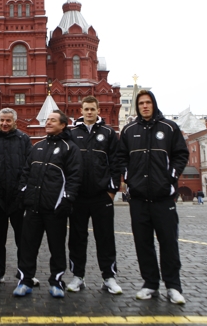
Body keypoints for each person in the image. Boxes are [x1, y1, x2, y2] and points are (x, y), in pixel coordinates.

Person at [117, 90, 189, 305]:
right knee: (143, 243)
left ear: (154, 104)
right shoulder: (129, 130)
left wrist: (171, 176)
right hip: (139, 198)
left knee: (168, 242)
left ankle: (173, 287)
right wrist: (129, 177)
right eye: (141, 103)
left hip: (162, 198)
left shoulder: (168, 128)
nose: (145, 106)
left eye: (148, 102)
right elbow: (121, 157)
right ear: (137, 106)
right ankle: (150, 284)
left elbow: (181, 154)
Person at [13, 110, 82, 299]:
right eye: (47, 120)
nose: (48, 123)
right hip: (33, 207)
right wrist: (22, 193)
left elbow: (74, 177)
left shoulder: (70, 148)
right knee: (28, 246)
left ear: (63, 125)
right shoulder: (38, 146)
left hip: (55, 209)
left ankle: (56, 281)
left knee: (57, 247)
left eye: (53, 120)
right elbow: (26, 172)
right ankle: (25, 281)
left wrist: (67, 200)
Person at [66, 96, 122, 295]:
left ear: (98, 110)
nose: (89, 112)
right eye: (86, 109)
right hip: (78, 196)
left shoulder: (108, 133)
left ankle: (109, 277)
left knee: (105, 238)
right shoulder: (72, 133)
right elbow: (66, 163)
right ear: (81, 110)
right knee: (77, 238)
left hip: (101, 196)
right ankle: (77, 276)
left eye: (92, 109)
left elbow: (116, 163)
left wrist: (111, 190)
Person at [0, 108, 33, 287]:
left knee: (23, 238)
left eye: (8, 120)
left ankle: (25, 273)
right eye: (2, 120)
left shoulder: (23, 139)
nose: (5, 124)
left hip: (17, 198)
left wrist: (23, 189)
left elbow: (29, 166)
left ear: (15, 121)